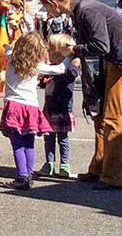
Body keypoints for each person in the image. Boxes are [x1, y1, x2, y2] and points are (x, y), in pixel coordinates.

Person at [38, 0, 122, 190]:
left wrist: (72, 50)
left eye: (47, 7)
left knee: (113, 116)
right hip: (115, 58)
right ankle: (98, 168)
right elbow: (95, 50)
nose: (46, 12)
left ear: (55, 3)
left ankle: (114, 177)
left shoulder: (86, 10)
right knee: (100, 115)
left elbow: (100, 46)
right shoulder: (79, 12)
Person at [0, 31, 73, 190]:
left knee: (17, 144)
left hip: (14, 106)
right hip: (31, 108)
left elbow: (6, 47)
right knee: (29, 143)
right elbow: (60, 69)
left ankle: (22, 176)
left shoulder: (11, 59)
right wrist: (69, 56)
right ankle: (29, 175)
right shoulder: (37, 66)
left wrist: (6, 45)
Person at [38, 33, 81, 178]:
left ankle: (64, 165)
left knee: (63, 139)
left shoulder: (70, 66)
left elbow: (70, 76)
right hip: (49, 108)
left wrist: (71, 58)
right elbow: (43, 84)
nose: (49, 53)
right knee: (48, 138)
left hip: (62, 109)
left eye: (51, 50)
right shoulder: (52, 67)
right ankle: (49, 163)